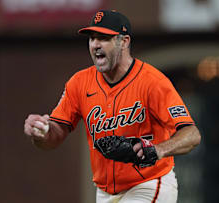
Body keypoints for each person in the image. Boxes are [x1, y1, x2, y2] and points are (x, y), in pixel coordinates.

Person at [24, 10, 201, 203]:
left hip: (149, 183)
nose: (96, 45)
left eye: (104, 38)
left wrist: (158, 150)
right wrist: (43, 132)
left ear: (124, 42)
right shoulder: (79, 83)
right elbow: (55, 136)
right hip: (105, 192)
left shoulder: (153, 82)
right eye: (92, 38)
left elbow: (192, 135)